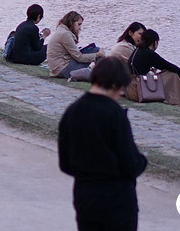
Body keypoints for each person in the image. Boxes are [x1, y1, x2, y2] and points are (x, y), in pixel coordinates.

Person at [58, 56, 147, 231]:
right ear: (115, 85)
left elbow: (65, 164)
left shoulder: (72, 111)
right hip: (116, 201)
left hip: (85, 197)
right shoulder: (114, 114)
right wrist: (143, 160)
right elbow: (130, 164)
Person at [129, 29, 180, 107]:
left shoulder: (136, 50)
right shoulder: (149, 54)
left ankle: (174, 100)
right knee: (172, 75)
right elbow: (167, 65)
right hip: (138, 91)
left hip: (130, 89)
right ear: (155, 42)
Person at [47, 11, 104, 79]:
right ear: (71, 23)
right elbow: (79, 57)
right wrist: (97, 54)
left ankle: (101, 74)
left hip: (58, 69)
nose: (80, 28)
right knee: (96, 50)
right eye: (79, 24)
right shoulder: (65, 34)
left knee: (93, 50)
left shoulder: (62, 31)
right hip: (63, 70)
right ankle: (103, 75)